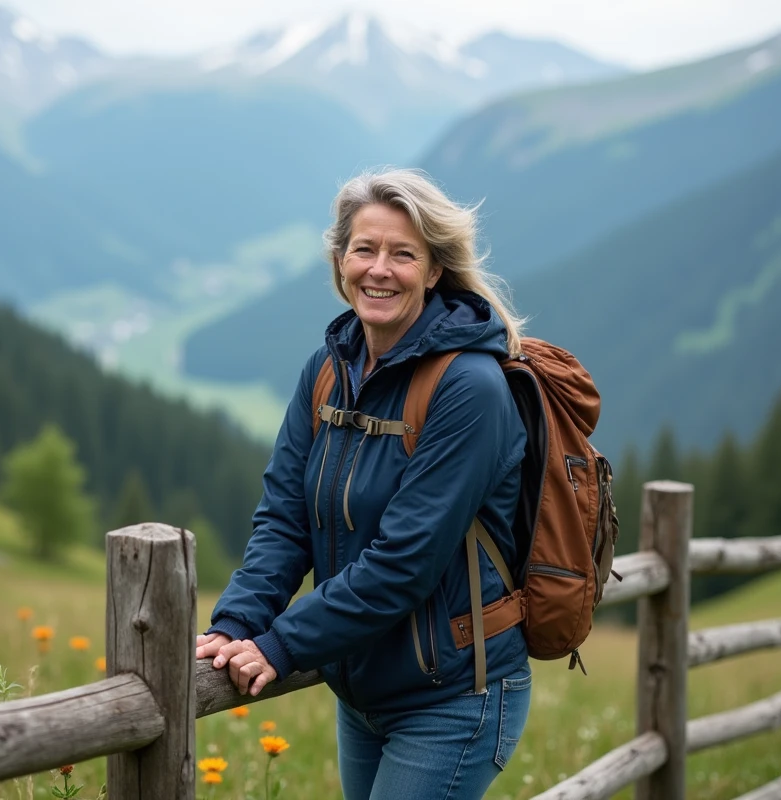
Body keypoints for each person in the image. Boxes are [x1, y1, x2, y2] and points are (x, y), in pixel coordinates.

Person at [196, 167, 531, 799]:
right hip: (365, 691)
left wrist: (282, 643)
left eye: (403, 254)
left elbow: (405, 561)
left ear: (434, 271)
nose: (379, 269)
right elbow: (285, 517)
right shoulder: (328, 370)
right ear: (340, 260)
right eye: (364, 249)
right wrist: (238, 622)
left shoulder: (469, 388)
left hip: (454, 695)